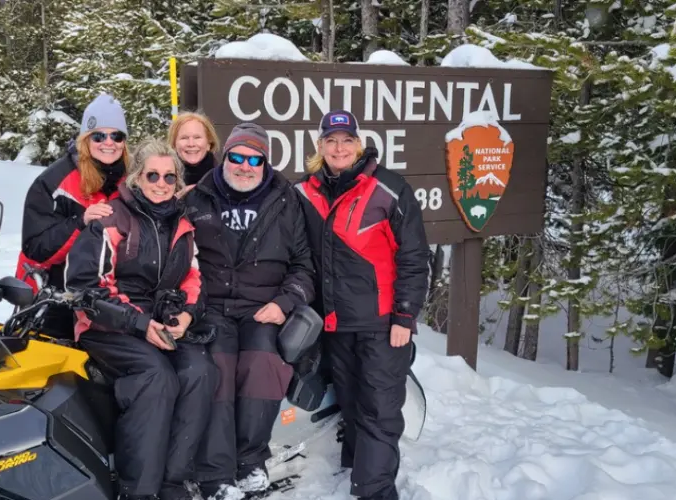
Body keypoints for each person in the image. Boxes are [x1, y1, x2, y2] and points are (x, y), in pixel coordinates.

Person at [64, 139, 218, 500]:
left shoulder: (182, 223)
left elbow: (193, 277)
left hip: (159, 322)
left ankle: (173, 482)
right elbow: (85, 287)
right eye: (153, 175)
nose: (161, 183)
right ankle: (139, 489)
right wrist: (138, 324)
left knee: (200, 371)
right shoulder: (112, 217)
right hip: (108, 325)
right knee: (155, 376)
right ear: (137, 177)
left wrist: (186, 315)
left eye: (169, 177)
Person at [295, 110, 430, 500]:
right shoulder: (306, 191)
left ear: (359, 144)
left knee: (379, 411)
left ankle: (375, 491)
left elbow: (414, 256)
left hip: (384, 323)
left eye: (346, 140)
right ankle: (353, 473)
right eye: (331, 140)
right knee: (352, 405)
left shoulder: (388, 188)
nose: (339, 147)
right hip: (335, 324)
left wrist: (405, 313)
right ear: (320, 147)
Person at [183, 123, 315, 500]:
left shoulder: (286, 200)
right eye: (237, 157)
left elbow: (304, 266)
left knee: (261, 367)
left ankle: (250, 463)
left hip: (263, 308)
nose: (244, 166)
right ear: (225, 158)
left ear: (265, 163)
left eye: (254, 159)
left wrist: (284, 303)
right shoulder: (198, 197)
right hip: (212, 309)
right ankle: (215, 474)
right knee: (218, 373)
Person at [15, 93, 130, 338]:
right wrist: (80, 223)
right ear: (85, 139)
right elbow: (35, 248)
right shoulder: (54, 182)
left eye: (116, 135)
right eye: (99, 135)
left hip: (111, 293)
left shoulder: (132, 179)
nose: (108, 143)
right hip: (56, 291)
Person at [168, 111, 220, 198]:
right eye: (184, 138)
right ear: (174, 144)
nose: (191, 144)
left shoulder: (223, 179)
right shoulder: (162, 180)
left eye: (197, 137)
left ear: (209, 143)